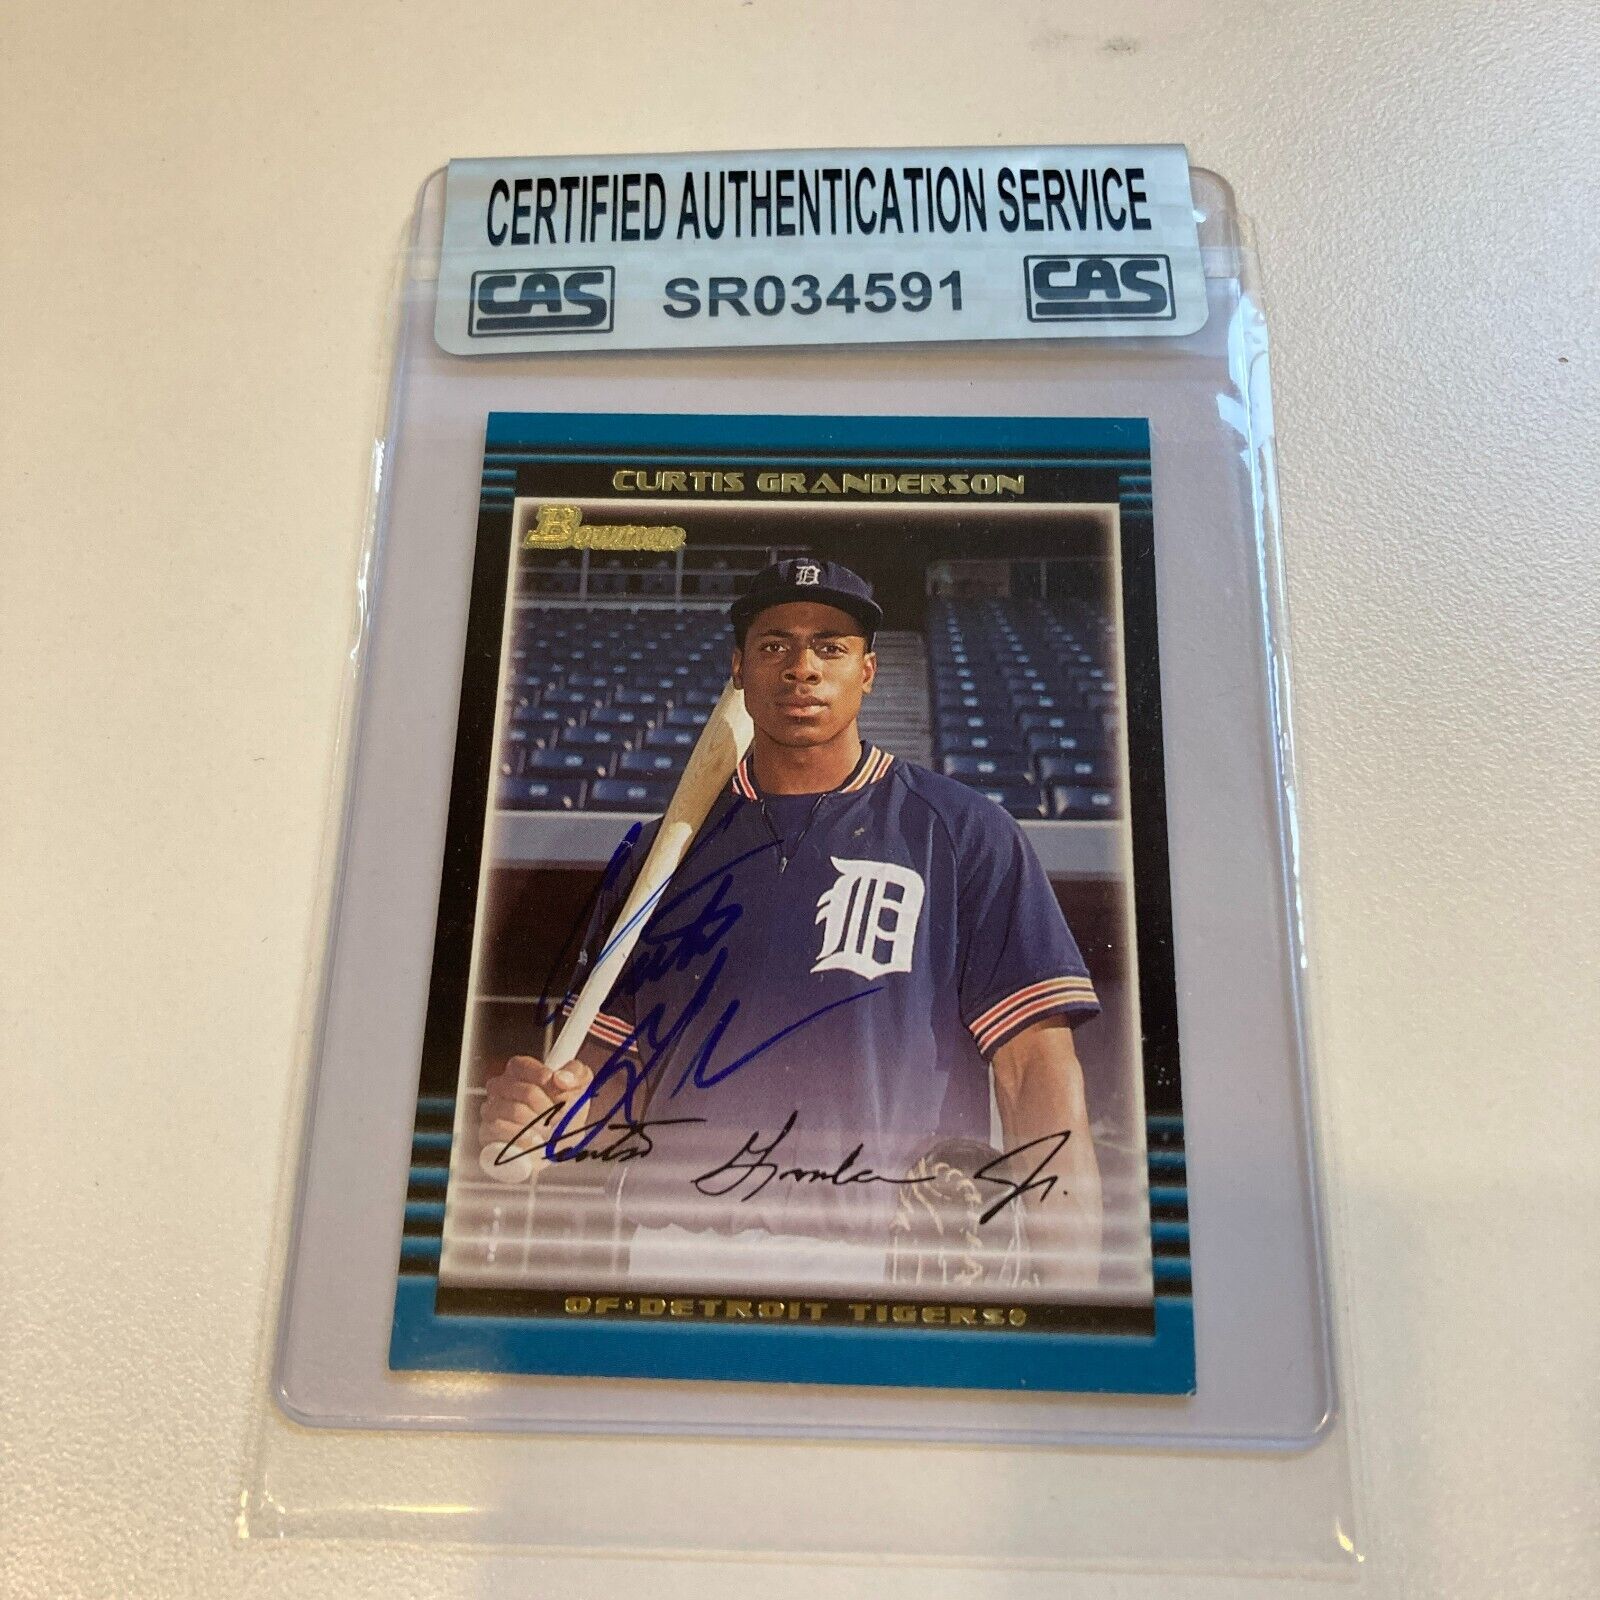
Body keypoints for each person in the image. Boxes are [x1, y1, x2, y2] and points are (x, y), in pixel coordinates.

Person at [479, 559, 1103, 1290]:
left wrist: (1074, 1292)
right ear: (738, 670)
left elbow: (1035, 1076)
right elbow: (616, 1085)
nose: (802, 667)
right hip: (676, 1250)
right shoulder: (661, 854)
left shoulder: (964, 834)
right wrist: (553, 1114)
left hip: (887, 1254)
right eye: (774, 645)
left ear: (868, 671)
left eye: (830, 647)